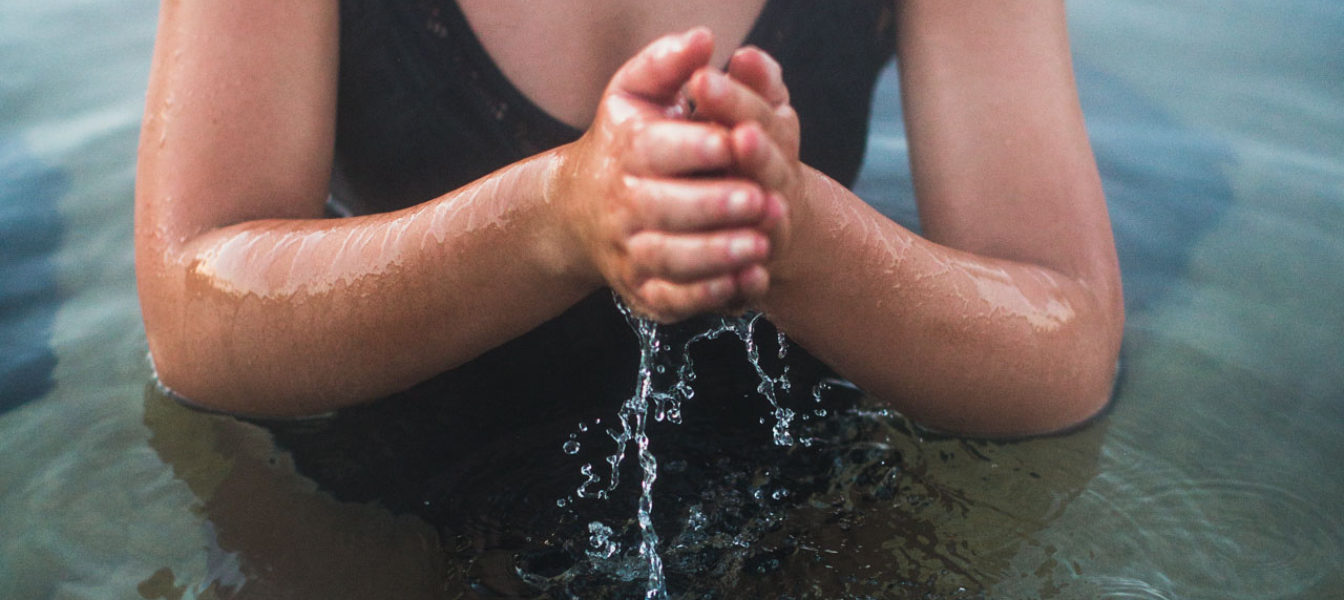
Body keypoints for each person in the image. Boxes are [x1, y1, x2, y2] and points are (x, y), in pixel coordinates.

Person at [134, 0, 1124, 437]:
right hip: (365, 515)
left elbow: (1066, 345)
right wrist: (552, 217)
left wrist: (801, 236)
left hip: (808, 504)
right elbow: (192, 319)